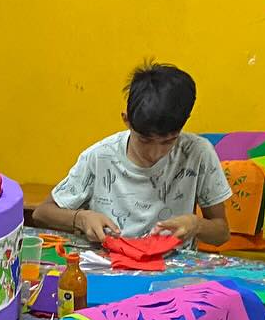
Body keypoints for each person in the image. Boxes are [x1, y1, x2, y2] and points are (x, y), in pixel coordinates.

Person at [33, 62, 233, 246]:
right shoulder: (100, 156)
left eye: (168, 141)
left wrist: (196, 224)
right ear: (126, 120)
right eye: (144, 140)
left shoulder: (198, 153)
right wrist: (81, 218)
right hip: (110, 264)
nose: (155, 153)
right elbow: (42, 213)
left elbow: (222, 233)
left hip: (171, 270)